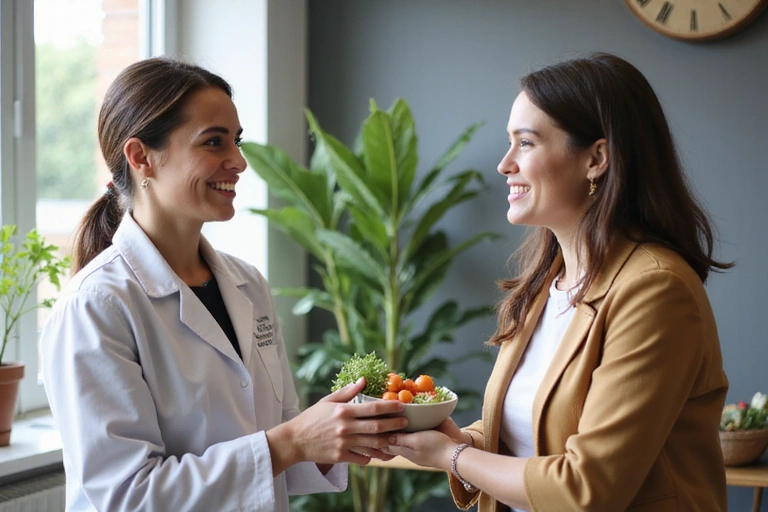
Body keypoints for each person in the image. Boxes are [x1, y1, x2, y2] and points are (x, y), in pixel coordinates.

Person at [40, 57, 407, 512]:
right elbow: (128, 496)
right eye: (214, 142)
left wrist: (345, 433)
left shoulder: (247, 283)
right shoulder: (95, 306)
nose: (239, 162)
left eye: (237, 141)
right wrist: (292, 441)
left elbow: (276, 441)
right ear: (141, 158)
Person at [385, 53, 732, 511]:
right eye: (509, 142)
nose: (504, 164)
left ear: (597, 158)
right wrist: (451, 439)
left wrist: (452, 456)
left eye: (526, 143)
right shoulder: (547, 284)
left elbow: (586, 488)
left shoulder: (656, 290)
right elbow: (533, 436)